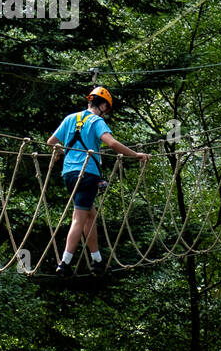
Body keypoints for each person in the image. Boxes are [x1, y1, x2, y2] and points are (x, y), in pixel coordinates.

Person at [46, 86, 150, 277]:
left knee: (89, 215)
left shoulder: (70, 118)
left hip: (68, 174)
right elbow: (112, 143)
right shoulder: (97, 121)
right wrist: (135, 155)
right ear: (102, 105)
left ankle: (97, 261)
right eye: (106, 109)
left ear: (89, 101)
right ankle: (65, 262)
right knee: (78, 218)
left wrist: (61, 152)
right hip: (87, 175)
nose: (106, 112)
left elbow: (51, 142)